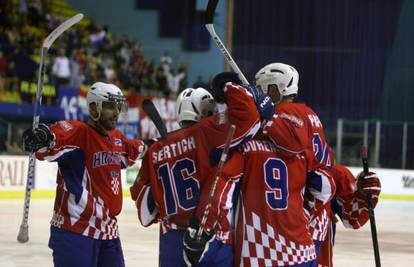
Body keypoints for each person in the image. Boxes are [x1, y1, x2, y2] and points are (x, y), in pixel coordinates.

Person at [130, 72, 271, 267]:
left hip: (171, 243)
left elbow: (145, 215)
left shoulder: (156, 150)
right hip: (211, 237)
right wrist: (232, 88)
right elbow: (251, 119)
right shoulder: (207, 131)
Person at [21, 82, 147, 267]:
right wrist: (41, 136)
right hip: (76, 231)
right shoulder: (78, 133)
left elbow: (137, 148)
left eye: (118, 106)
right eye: (111, 106)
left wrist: (159, 144)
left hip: (109, 231)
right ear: (94, 107)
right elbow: (53, 138)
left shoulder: (117, 138)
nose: (116, 112)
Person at [233, 134, 336, 267]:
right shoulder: (304, 152)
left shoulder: (245, 147)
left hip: (257, 255)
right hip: (301, 251)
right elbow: (326, 190)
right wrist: (307, 213)